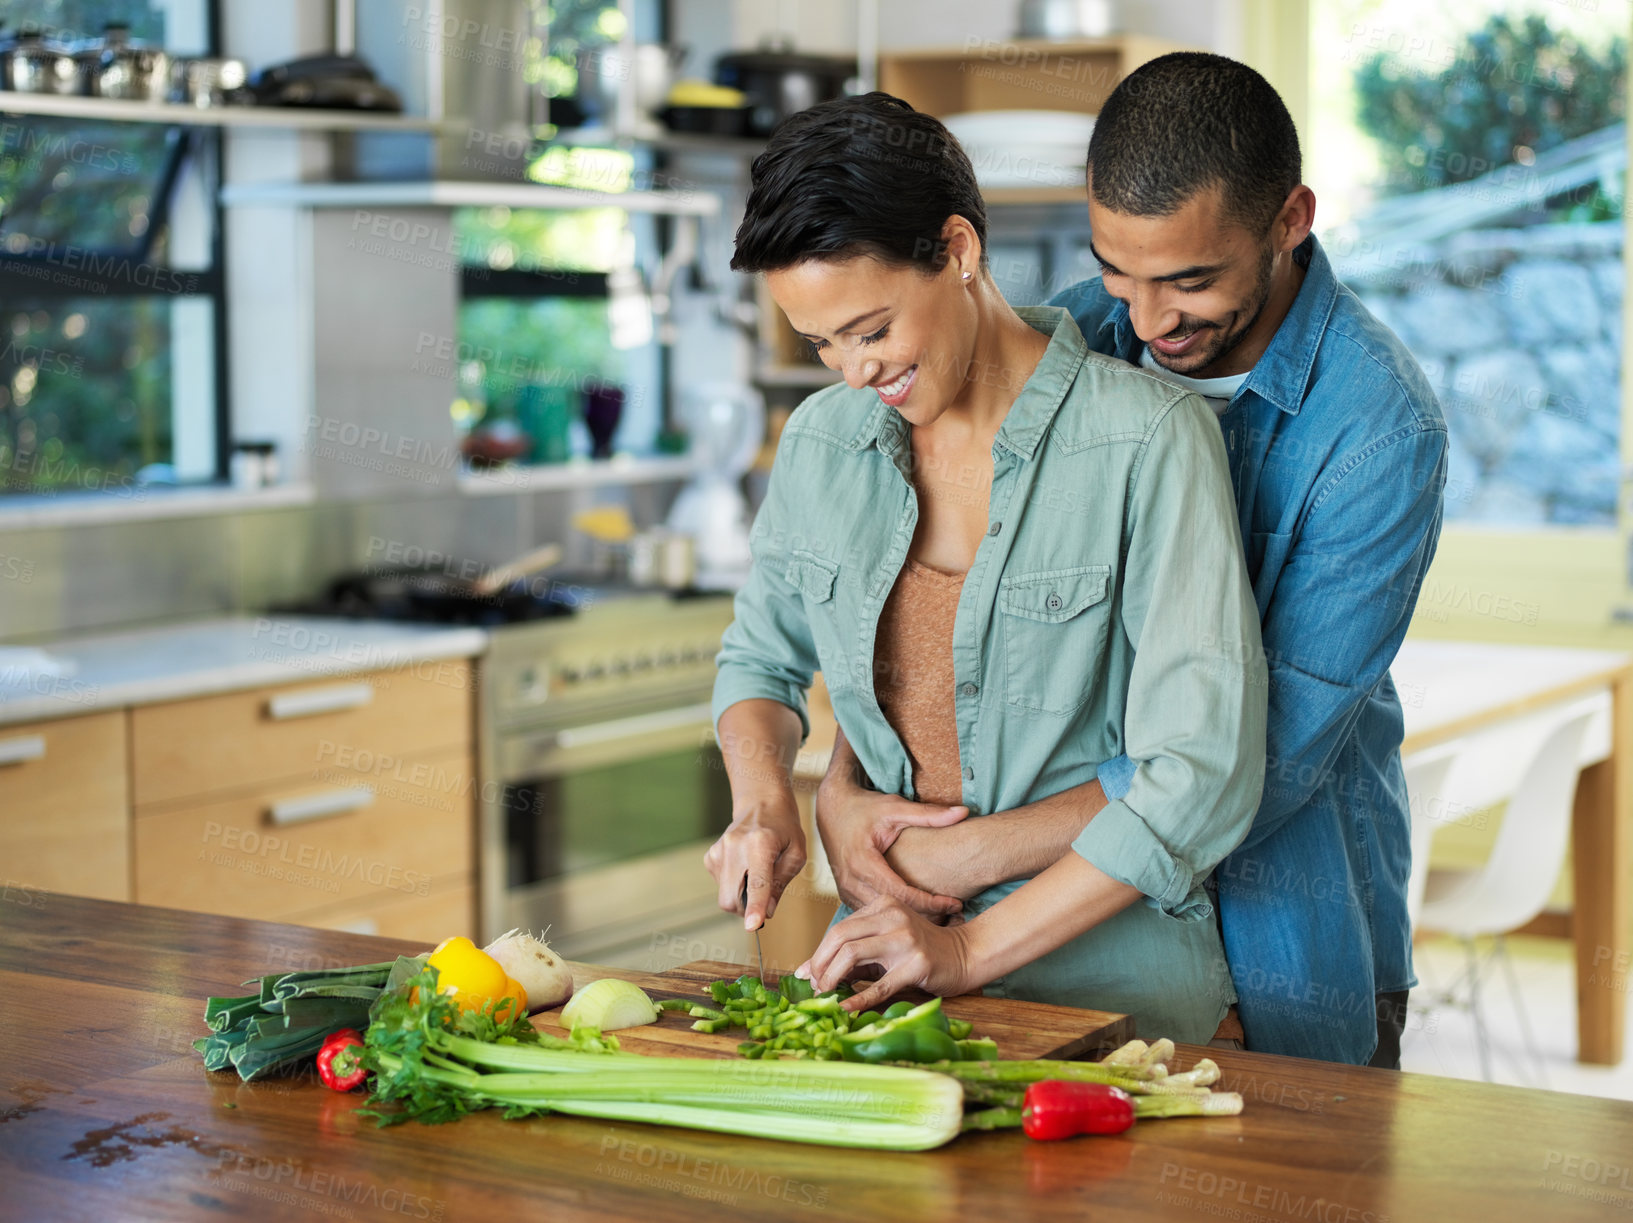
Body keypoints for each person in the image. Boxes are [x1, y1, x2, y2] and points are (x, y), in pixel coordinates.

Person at [816, 54, 1448, 1068]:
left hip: (1277, 938)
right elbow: (933, 606)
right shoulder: (1078, 336)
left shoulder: (1378, 430)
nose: (1148, 322)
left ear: (1290, 218)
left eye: (1190, 281)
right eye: (1121, 271)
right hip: (1063, 950)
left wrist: (968, 850)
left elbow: (1256, 756)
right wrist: (843, 792)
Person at [705, 90, 1267, 1044]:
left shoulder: (1147, 440)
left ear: (958, 250)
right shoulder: (822, 442)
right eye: (819, 344)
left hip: (1116, 997)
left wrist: (967, 949)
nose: (852, 372)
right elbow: (759, 662)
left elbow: (1199, 772)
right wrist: (766, 803)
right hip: (884, 984)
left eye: (873, 329)